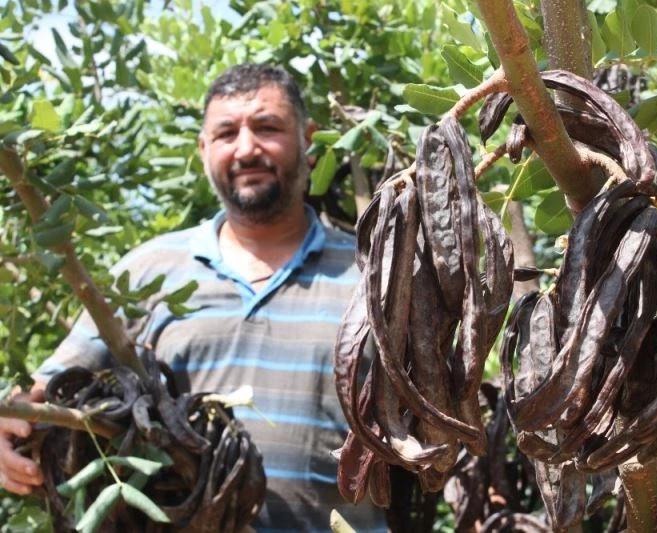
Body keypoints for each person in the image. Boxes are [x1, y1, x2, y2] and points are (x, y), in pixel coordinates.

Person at [0, 63, 386, 532]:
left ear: (308, 141)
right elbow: (54, 387)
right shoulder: (149, 270)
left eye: (267, 128)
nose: (247, 148)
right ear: (204, 149)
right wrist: (12, 422)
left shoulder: (375, 274)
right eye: (227, 133)